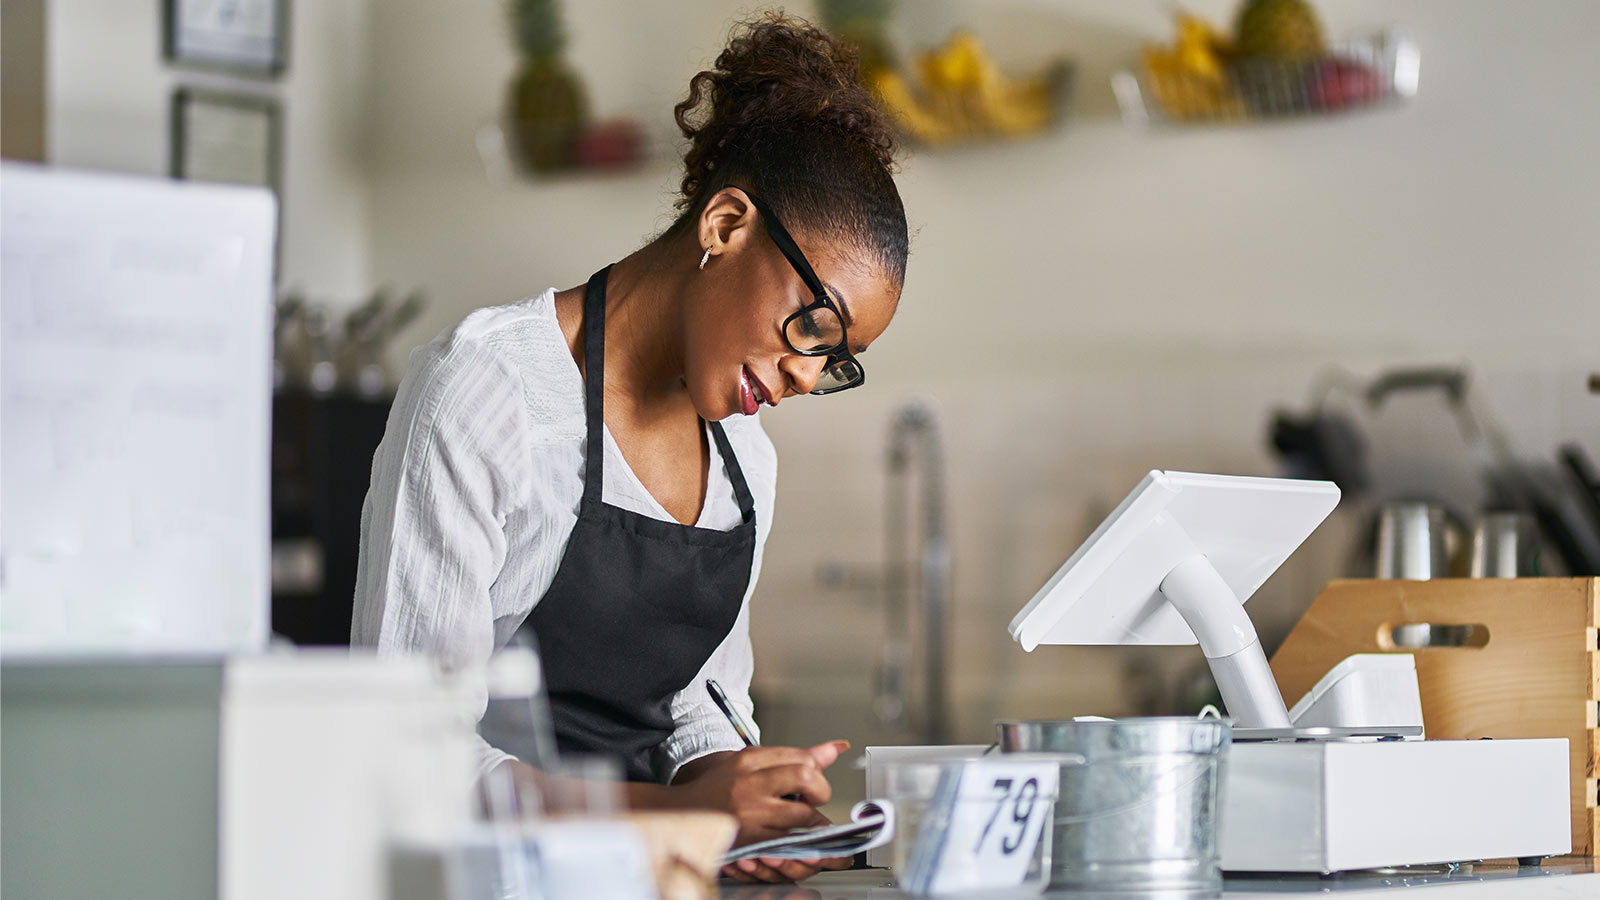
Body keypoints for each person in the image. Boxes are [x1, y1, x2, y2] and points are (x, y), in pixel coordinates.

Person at [351, 12, 908, 884]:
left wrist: (735, 783)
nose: (807, 375)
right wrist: (681, 813)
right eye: (813, 327)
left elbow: (696, 700)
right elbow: (404, 754)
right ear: (726, 226)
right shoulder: (488, 394)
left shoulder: (744, 461)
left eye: (837, 361)